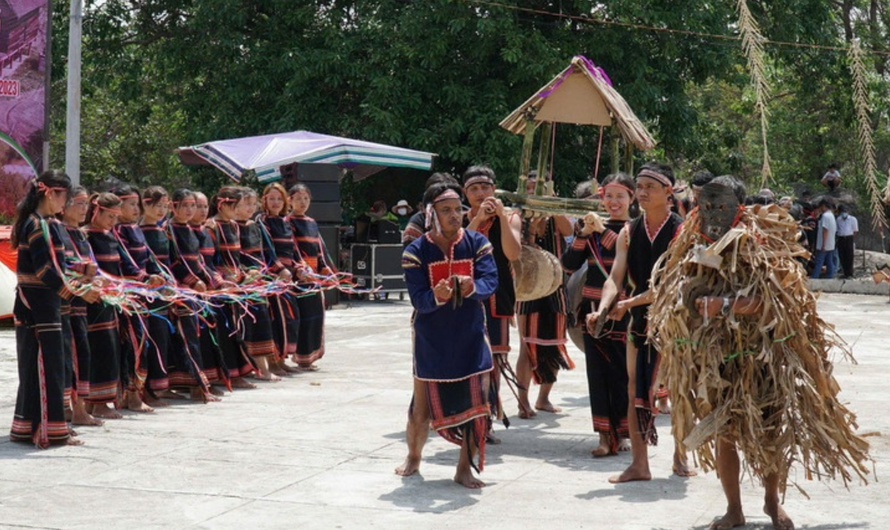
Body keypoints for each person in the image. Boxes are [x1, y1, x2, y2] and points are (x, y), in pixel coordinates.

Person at [648, 175, 871, 530]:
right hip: (715, 361)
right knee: (724, 434)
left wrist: (724, 305)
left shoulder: (761, 242)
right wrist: (692, 303)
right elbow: (676, 293)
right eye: (708, 204)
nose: (713, 212)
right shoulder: (689, 241)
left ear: (740, 207)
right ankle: (733, 509)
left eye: (722, 205)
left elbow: (776, 303)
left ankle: (771, 502)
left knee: (769, 433)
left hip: (763, 358)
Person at [587, 162, 694, 482]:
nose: (643, 192)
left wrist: (629, 302)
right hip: (639, 321)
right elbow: (614, 277)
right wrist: (604, 308)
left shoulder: (682, 231)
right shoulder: (628, 231)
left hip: (676, 320)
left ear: (668, 192)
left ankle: (680, 455)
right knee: (635, 387)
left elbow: (675, 283)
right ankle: (639, 463)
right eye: (641, 186)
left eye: (650, 187)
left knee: (678, 389)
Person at [395, 181, 499, 488]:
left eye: (458, 209)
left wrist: (473, 288)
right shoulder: (415, 251)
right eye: (446, 210)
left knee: (476, 405)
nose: (455, 215)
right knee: (421, 406)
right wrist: (437, 295)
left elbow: (490, 281)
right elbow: (418, 299)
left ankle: (464, 468)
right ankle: (414, 456)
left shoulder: (478, 244)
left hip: (470, 334)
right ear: (431, 214)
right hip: (431, 336)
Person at [9, 170, 96, 447]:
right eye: (65, 198)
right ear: (51, 193)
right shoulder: (37, 225)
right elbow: (45, 270)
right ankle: (47, 430)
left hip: (48, 307)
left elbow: (58, 263)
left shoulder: (45, 223)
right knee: (46, 368)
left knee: (50, 366)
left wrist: (82, 270)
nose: (65, 204)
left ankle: (32, 427)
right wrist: (77, 291)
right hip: (38, 308)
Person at [561, 173, 633, 457]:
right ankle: (604, 436)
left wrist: (600, 231)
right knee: (597, 374)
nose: (614, 202)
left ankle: (623, 434)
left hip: (625, 310)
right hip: (592, 311)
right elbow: (569, 265)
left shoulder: (635, 229)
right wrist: (581, 235)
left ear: (631, 199)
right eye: (609, 196)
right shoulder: (587, 228)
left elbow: (627, 260)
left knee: (623, 375)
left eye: (620, 196)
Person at [463, 165, 521, 440]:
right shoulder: (458, 218)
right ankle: (466, 417)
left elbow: (512, 253)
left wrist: (499, 216)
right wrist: (476, 220)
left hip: (498, 297)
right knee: (466, 358)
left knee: (494, 360)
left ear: (494, 190)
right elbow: (461, 249)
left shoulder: (510, 218)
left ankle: (485, 420)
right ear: (465, 193)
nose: (480, 193)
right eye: (474, 189)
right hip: (464, 298)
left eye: (485, 188)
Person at [515, 172, 574, 418]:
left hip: (556, 287)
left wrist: (551, 203)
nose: (534, 193)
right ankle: (522, 401)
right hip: (527, 289)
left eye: (539, 188)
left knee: (555, 346)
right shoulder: (517, 216)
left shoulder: (557, 210)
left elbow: (569, 229)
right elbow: (524, 246)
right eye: (530, 189)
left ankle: (543, 399)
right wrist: (534, 219)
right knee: (526, 346)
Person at [288, 183, 331, 371]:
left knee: (315, 316)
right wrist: (301, 270)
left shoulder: (312, 222)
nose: (302, 202)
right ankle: (300, 356)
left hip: (313, 279)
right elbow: (292, 249)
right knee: (303, 317)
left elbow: (319, 249)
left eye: (305, 198)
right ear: (289, 201)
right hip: (299, 278)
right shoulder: (287, 222)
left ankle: (310, 357)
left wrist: (324, 269)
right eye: (298, 199)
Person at [810, 197, 837, 279]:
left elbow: (825, 230)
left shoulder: (825, 216)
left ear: (824, 206)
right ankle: (830, 277)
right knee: (829, 262)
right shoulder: (831, 215)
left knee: (819, 262)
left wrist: (823, 245)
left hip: (824, 244)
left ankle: (814, 278)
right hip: (830, 244)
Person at [836, 204, 859, 279]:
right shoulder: (838, 219)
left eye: (845, 211)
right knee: (842, 255)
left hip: (849, 238)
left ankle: (850, 273)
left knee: (849, 255)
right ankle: (845, 272)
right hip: (841, 238)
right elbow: (837, 229)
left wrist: (850, 237)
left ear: (848, 212)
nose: (844, 213)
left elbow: (855, 231)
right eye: (842, 211)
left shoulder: (853, 219)